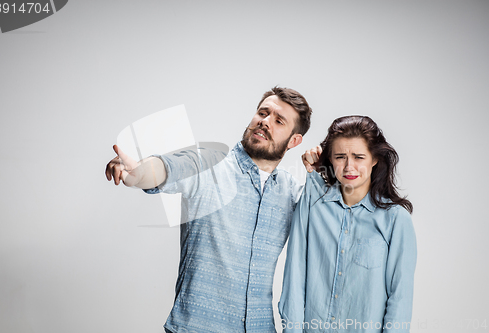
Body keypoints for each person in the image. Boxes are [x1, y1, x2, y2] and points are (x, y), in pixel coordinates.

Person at [105, 87, 313, 332]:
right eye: (262, 113)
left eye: (278, 121)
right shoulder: (210, 162)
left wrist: (324, 171)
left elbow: (335, 215)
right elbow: (169, 167)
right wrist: (140, 172)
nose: (265, 122)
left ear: (294, 140)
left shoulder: (290, 191)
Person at [279, 116, 417, 333]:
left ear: (374, 159)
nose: (349, 166)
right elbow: (294, 277)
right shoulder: (313, 204)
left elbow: (399, 299)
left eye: (359, 157)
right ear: (331, 160)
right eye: (340, 156)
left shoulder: (395, 220)